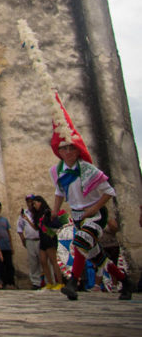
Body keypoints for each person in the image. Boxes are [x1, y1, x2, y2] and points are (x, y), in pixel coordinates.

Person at [49, 113, 132, 300]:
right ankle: (124, 280)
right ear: (58, 151)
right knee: (97, 257)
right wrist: (55, 211)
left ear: (78, 151)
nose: (68, 152)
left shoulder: (88, 170)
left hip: (95, 215)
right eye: (64, 149)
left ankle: (73, 282)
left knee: (80, 242)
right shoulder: (57, 172)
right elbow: (59, 193)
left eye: (71, 148)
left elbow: (109, 191)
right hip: (78, 215)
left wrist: (95, 208)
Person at [31, 195, 64, 291]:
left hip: (49, 238)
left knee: (54, 261)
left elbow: (55, 224)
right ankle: (49, 282)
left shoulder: (47, 213)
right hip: (42, 239)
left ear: (40, 202)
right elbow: (37, 227)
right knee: (43, 261)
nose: (34, 206)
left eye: (35, 203)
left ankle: (60, 282)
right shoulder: (37, 215)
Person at [17, 195, 43, 289]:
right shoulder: (24, 214)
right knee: (33, 262)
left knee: (43, 261)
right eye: (28, 202)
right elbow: (19, 228)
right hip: (30, 240)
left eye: (32, 202)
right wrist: (22, 239)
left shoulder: (39, 213)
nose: (30, 204)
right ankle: (36, 282)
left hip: (40, 239)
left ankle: (46, 280)